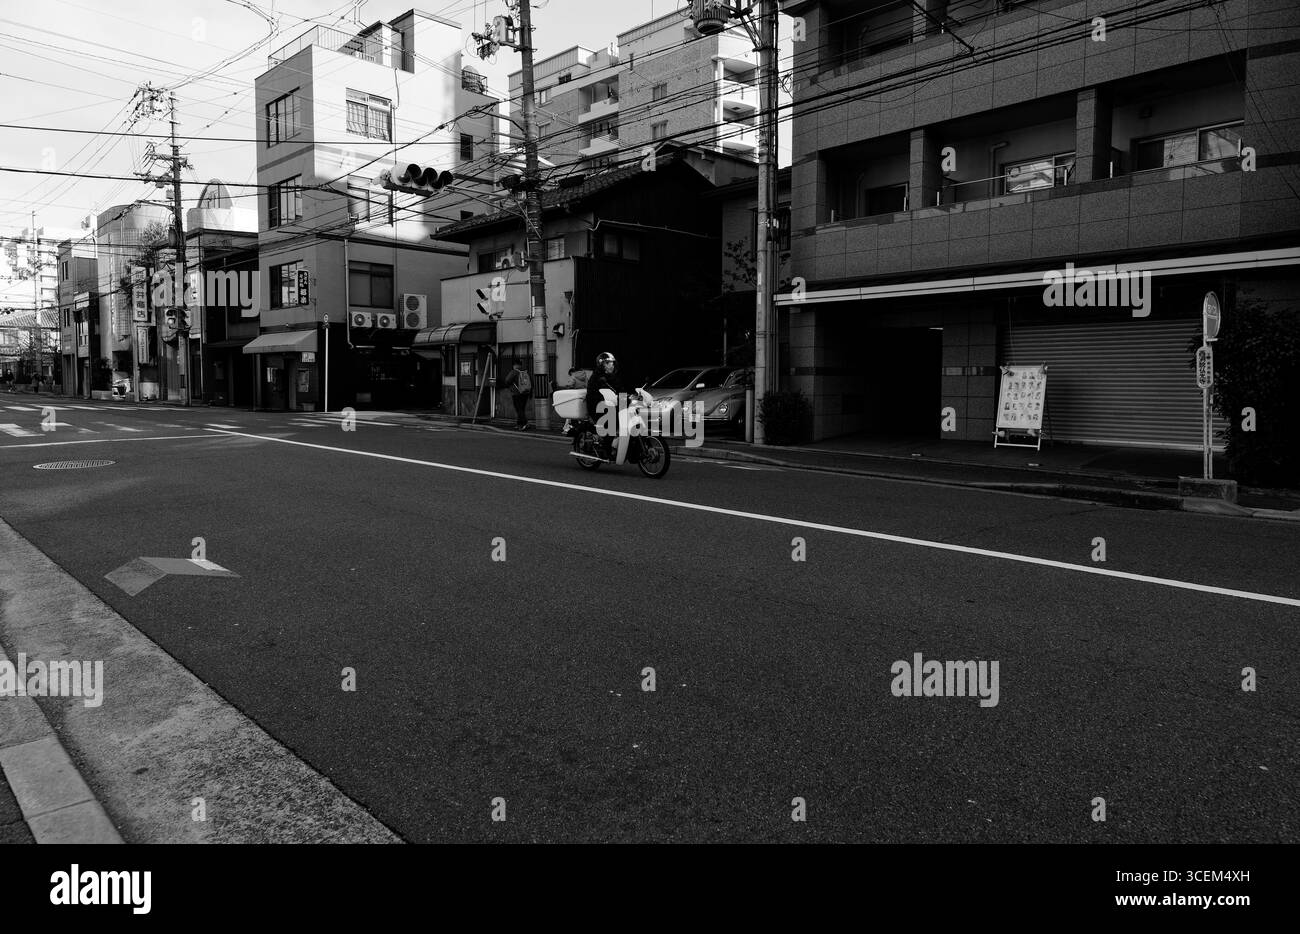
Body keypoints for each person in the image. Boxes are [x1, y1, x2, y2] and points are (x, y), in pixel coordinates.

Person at [585, 352, 625, 456]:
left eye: (612, 363)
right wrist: (606, 401)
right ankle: (607, 449)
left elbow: (620, 389)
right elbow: (594, 395)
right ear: (602, 365)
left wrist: (629, 396)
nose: (612, 365)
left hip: (609, 406)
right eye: (608, 363)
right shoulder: (597, 377)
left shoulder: (612, 377)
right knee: (612, 420)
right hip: (596, 407)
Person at [501, 359, 532, 430]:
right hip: (525, 393)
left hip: (516, 393)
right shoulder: (526, 372)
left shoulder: (514, 372)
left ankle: (525, 423)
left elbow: (507, 380)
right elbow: (531, 382)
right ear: (521, 365)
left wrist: (509, 386)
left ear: (515, 365)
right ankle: (519, 424)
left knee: (518, 409)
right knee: (522, 409)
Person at [561, 367, 589, 436]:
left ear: (571, 373)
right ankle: (581, 429)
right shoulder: (585, 377)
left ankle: (567, 429)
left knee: (570, 414)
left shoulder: (573, 377)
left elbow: (569, 385)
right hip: (584, 396)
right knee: (582, 414)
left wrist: (567, 386)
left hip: (574, 397)